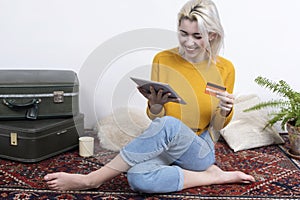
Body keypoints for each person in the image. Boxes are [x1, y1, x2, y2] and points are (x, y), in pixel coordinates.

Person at [44, 0, 255, 193]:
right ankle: (212, 176)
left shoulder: (225, 68)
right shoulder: (163, 59)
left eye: (197, 36)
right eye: (183, 33)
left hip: (199, 147)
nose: (188, 42)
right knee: (138, 178)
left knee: (169, 124)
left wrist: (225, 110)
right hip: (165, 142)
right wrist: (155, 105)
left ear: (212, 35)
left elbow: (216, 127)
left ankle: (92, 179)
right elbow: (157, 119)